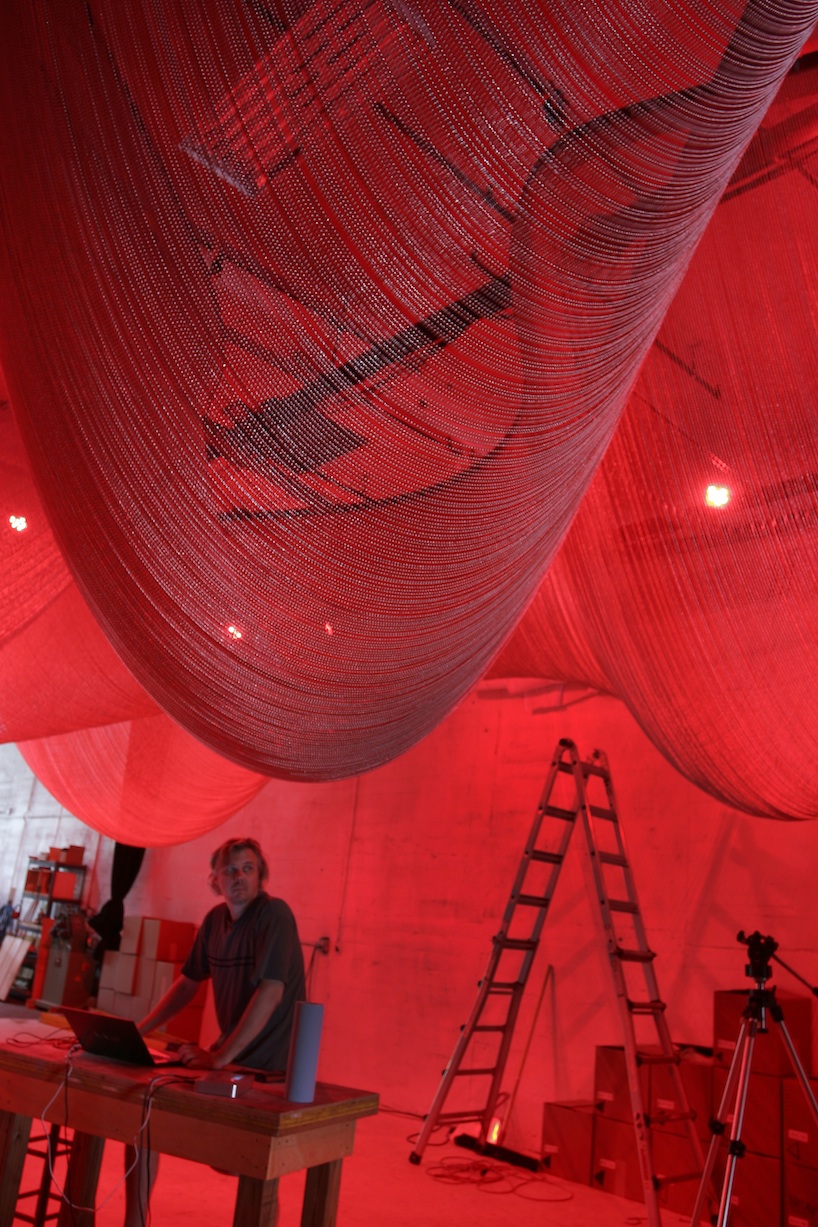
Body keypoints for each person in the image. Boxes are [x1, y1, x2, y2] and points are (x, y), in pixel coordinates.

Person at [124, 836, 306, 1227]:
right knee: (148, 1112)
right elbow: (188, 983)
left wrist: (219, 1058)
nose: (239, 877)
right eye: (230, 870)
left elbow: (271, 992)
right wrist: (141, 1029)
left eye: (248, 868)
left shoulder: (274, 916)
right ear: (215, 880)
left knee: (246, 1155)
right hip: (232, 1062)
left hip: (268, 1072)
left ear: (261, 876)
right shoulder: (213, 922)